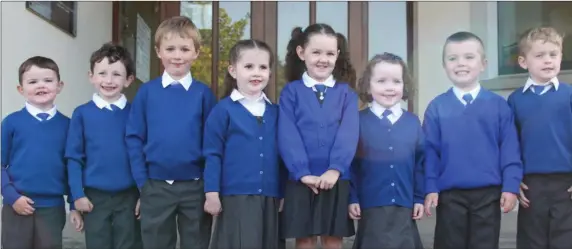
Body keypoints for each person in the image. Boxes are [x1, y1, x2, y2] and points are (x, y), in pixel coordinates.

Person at [422, 31, 523, 249]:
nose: (461, 63)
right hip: (450, 195)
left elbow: (509, 149)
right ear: (444, 65)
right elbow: (430, 152)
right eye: (452, 58)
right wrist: (430, 186)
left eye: (469, 57)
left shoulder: (498, 106)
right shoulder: (437, 108)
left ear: (483, 63)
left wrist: (511, 185)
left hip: (488, 194)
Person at [125, 16, 217, 249]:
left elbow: (213, 142)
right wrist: (142, 183)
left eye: (185, 49)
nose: (177, 55)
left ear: (196, 52)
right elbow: (134, 138)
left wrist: (208, 183)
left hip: (194, 187)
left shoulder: (203, 94)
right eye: (170, 48)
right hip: (156, 186)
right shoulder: (146, 93)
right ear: (158, 51)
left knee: (196, 243)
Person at [278, 23, 359, 249]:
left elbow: (349, 133)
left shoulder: (347, 94)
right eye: (316, 52)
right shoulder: (291, 92)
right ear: (302, 53)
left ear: (337, 56)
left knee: (333, 239)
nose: (323, 59)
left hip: (336, 179)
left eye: (330, 53)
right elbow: (287, 134)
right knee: (304, 239)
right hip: (301, 180)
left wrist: (335, 168)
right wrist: (301, 172)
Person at [203, 39, 286, 249]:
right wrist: (211, 193)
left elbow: (283, 156)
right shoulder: (223, 111)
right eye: (248, 67)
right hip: (236, 197)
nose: (256, 73)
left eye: (263, 67)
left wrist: (283, 191)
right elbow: (213, 154)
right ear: (233, 70)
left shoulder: (276, 113)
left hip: (270, 196)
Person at [66, 43, 142, 249]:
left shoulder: (136, 114)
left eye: (117, 74)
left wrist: (145, 194)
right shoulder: (81, 114)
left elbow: (145, 156)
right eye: (102, 73)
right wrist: (76, 198)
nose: (108, 80)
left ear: (129, 80)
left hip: (129, 197)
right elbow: (74, 159)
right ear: (91, 76)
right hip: (94, 199)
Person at [1, 56, 83, 249]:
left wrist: (74, 205)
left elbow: (72, 167)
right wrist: (12, 197)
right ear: (20, 89)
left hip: (52, 208)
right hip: (16, 206)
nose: (41, 86)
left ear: (59, 86)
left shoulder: (68, 125)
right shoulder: (11, 123)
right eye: (32, 82)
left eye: (48, 80)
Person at [350, 53, 424, 249]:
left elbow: (420, 163)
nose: (389, 87)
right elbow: (350, 165)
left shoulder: (412, 122)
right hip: (371, 205)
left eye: (396, 81)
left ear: (404, 86)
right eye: (381, 81)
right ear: (368, 85)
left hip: (404, 204)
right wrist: (352, 197)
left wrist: (419, 197)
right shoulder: (358, 122)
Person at [507, 26, 572, 249]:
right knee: (531, 241)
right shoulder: (515, 100)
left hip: (566, 183)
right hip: (530, 184)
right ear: (524, 62)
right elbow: (510, 144)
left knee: (565, 240)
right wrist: (513, 180)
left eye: (553, 55)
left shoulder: (569, 95)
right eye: (540, 55)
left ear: (561, 57)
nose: (548, 61)